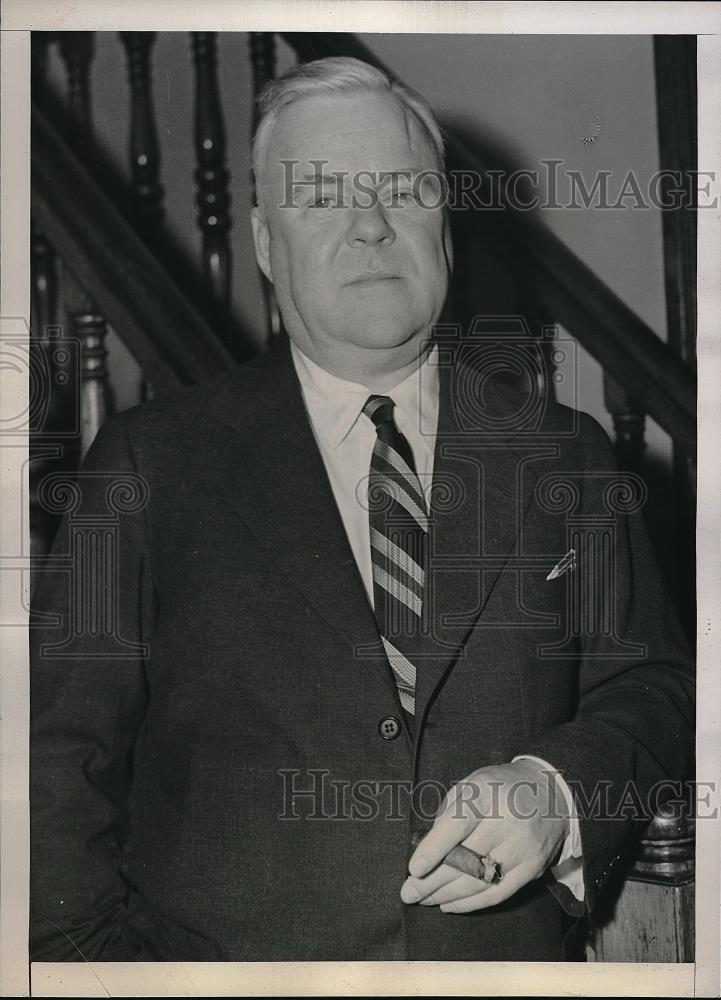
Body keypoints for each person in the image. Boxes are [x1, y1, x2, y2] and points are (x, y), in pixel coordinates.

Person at [30, 56, 694, 963]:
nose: (371, 226)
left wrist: (558, 788)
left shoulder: (565, 453)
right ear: (264, 243)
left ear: (446, 222)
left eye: (404, 190)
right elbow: (57, 764)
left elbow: (656, 690)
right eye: (322, 196)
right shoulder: (148, 463)